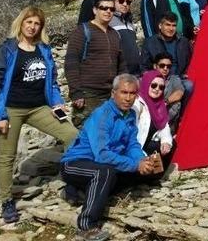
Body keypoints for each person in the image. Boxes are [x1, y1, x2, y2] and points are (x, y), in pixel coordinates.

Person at [0, 6, 79, 224]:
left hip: (38, 107)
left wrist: (57, 103)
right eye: (29, 22)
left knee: (72, 135)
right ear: (21, 23)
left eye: (37, 23)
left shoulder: (43, 49)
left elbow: (52, 81)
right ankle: (7, 201)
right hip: (11, 109)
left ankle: (72, 181)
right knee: (8, 156)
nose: (33, 27)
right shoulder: (8, 49)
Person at [61, 74, 160, 241]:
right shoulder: (103, 115)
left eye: (132, 93)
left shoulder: (129, 115)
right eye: (124, 92)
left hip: (100, 165)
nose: (128, 98)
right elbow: (103, 155)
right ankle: (86, 226)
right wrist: (135, 165)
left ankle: (76, 191)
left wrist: (141, 161)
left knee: (143, 172)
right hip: (76, 163)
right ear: (113, 93)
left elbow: (132, 145)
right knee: (105, 173)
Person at [65, 0, 127, 127]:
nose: (108, 11)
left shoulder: (115, 34)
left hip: (110, 95)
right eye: (103, 8)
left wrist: (123, 88)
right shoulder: (82, 31)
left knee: (109, 134)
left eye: (111, 9)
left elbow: (121, 65)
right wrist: (76, 93)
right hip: (88, 95)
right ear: (95, 10)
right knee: (85, 138)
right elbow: (71, 63)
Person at [133, 71, 173, 157]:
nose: (157, 89)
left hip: (147, 143)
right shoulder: (136, 104)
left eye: (161, 87)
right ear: (146, 84)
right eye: (154, 85)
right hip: (135, 147)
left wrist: (166, 142)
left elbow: (164, 127)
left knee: (170, 146)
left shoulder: (160, 105)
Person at [140, 13, 193, 78]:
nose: (171, 29)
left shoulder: (183, 42)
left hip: (180, 78)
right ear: (160, 26)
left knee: (189, 85)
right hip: (158, 80)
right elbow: (144, 67)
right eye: (167, 25)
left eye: (174, 25)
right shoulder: (150, 43)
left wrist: (186, 74)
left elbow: (190, 62)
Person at [109, 0, 141, 75]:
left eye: (128, 2)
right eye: (121, 1)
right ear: (112, 2)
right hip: (119, 73)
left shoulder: (130, 24)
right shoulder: (108, 22)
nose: (125, 4)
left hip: (135, 72)